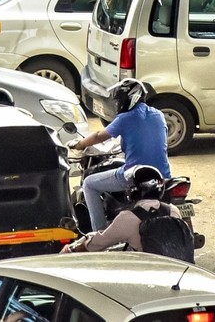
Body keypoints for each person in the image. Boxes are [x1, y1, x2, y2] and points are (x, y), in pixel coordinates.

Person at [67, 79, 172, 231]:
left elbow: (98, 136)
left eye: (120, 99)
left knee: (89, 184)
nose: (118, 103)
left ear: (130, 98)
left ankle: (99, 233)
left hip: (136, 175)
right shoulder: (158, 115)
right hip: (164, 175)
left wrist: (79, 144)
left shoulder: (125, 118)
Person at [60, 166, 181, 253]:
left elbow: (97, 244)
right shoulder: (172, 210)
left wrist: (72, 250)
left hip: (147, 273)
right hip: (176, 268)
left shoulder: (128, 218)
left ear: (134, 190)